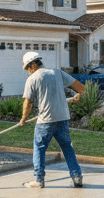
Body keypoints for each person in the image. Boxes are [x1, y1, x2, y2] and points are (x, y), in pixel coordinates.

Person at [18, 51, 86, 188]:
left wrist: (23, 119)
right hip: (62, 119)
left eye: (27, 69)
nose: (27, 72)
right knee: (67, 147)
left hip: (45, 121)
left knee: (39, 148)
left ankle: (38, 180)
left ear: (33, 64)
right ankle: (77, 177)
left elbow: (28, 103)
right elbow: (81, 88)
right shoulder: (57, 72)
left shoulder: (32, 79)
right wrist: (77, 95)